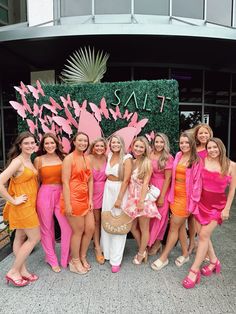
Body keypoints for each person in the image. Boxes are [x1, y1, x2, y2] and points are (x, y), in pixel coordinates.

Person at [182, 138, 236, 289]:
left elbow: (232, 190)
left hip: (217, 207)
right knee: (203, 235)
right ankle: (214, 262)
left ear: (221, 148)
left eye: (215, 147)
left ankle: (194, 271)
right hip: (201, 203)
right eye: (209, 147)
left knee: (204, 235)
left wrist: (227, 209)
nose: (212, 150)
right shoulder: (202, 161)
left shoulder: (231, 165)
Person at [151, 132, 202, 271]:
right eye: (181, 142)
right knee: (179, 227)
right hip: (174, 196)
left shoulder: (196, 160)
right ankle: (185, 254)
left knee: (173, 227)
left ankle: (164, 257)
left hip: (186, 200)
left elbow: (198, 184)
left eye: (186, 142)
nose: (184, 145)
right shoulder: (178, 156)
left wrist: (193, 203)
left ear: (192, 143)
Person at [0, 131, 40, 287]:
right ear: (20, 145)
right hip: (23, 206)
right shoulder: (18, 161)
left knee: (20, 238)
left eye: (32, 143)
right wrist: (13, 200)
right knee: (35, 238)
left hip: (30, 204)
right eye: (26, 143)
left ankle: (22, 270)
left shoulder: (29, 160)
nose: (30, 146)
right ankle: (13, 271)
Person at [34, 133, 72, 273]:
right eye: (46, 143)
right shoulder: (38, 160)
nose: (50, 146)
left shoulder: (64, 157)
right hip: (44, 194)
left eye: (52, 143)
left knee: (67, 227)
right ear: (43, 146)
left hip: (62, 193)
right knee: (46, 227)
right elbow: (37, 182)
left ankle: (65, 257)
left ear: (57, 144)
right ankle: (51, 258)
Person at [60, 132, 94, 275]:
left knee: (90, 229)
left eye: (85, 141)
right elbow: (65, 182)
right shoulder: (69, 159)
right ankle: (74, 261)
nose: (83, 143)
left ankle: (82, 256)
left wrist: (90, 199)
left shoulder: (87, 158)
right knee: (78, 231)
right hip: (73, 198)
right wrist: (68, 204)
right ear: (74, 142)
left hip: (85, 198)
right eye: (80, 140)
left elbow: (90, 179)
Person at [123, 136, 161, 264]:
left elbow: (145, 183)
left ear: (145, 149)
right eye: (136, 146)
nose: (138, 149)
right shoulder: (132, 162)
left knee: (144, 228)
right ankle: (143, 249)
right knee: (133, 227)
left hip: (142, 199)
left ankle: (140, 253)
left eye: (141, 147)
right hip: (132, 198)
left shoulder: (147, 162)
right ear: (132, 147)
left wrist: (141, 201)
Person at [100, 135, 132, 273]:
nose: (115, 144)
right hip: (108, 188)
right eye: (113, 142)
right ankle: (106, 253)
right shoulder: (109, 156)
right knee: (107, 219)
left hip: (120, 190)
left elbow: (126, 180)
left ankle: (116, 259)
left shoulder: (126, 158)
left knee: (119, 223)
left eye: (118, 142)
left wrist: (119, 199)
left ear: (122, 143)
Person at [187, 123, 214, 255]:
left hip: (206, 190)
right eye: (200, 133)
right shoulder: (194, 149)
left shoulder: (213, 149)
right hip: (192, 187)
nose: (203, 135)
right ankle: (192, 242)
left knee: (204, 221)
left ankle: (208, 251)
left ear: (210, 134)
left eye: (206, 133)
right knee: (191, 218)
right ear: (196, 135)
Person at [148, 133, 173, 256]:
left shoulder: (168, 157)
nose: (159, 144)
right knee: (150, 217)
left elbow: (168, 179)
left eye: (161, 142)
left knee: (160, 218)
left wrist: (162, 197)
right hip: (150, 188)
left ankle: (157, 244)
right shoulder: (149, 154)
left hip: (162, 188)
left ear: (165, 143)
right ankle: (149, 242)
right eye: (157, 142)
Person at [88, 137, 107, 265]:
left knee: (104, 219)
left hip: (106, 192)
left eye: (102, 146)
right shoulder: (88, 158)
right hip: (92, 192)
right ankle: (97, 247)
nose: (99, 148)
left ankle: (105, 244)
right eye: (97, 146)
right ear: (93, 147)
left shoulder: (108, 158)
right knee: (96, 220)